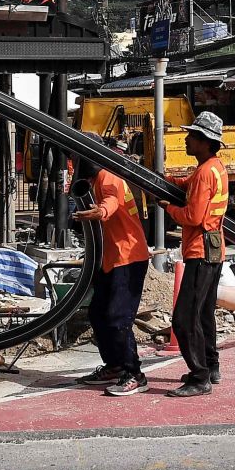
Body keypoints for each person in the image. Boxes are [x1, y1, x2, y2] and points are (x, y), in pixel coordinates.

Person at [70, 145, 153, 396]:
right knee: (98, 313)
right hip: (112, 258)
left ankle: (134, 373)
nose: (72, 165)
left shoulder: (108, 176)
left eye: (75, 157)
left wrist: (100, 212)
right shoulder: (95, 178)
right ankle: (115, 365)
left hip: (128, 258)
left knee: (118, 318)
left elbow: (112, 200)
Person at [158, 110, 229, 397]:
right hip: (214, 249)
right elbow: (194, 189)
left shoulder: (203, 173)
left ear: (204, 142)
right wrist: (173, 182)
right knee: (204, 314)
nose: (186, 140)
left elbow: (193, 216)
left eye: (192, 137)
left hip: (200, 251)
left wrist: (168, 207)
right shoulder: (215, 168)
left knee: (185, 319)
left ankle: (200, 378)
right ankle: (211, 365)